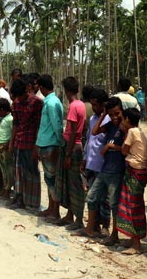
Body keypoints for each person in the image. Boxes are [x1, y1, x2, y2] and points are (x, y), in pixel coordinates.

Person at [79, 97, 126, 245]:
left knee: (113, 203)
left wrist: (111, 147)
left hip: (116, 171)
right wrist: (103, 115)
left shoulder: (125, 127)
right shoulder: (110, 125)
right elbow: (94, 131)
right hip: (105, 169)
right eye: (111, 114)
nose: (115, 117)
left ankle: (114, 234)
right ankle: (90, 228)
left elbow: (126, 148)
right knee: (92, 197)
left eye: (117, 113)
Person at [116, 108, 147, 254]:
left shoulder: (131, 132)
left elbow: (124, 150)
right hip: (139, 172)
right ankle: (133, 238)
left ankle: (136, 244)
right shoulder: (139, 131)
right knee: (135, 204)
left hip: (134, 170)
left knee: (132, 206)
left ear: (128, 119)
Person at [7, 78, 43, 210]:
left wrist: (36, 146)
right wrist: (11, 143)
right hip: (19, 142)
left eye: (21, 96)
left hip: (30, 142)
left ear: (26, 90)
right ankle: (19, 197)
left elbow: (39, 126)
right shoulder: (16, 103)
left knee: (32, 173)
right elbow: (15, 124)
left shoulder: (37, 103)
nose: (19, 99)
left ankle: (32, 201)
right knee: (18, 172)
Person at [56, 76, 86, 228]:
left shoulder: (74, 107)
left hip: (72, 147)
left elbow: (73, 132)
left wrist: (68, 154)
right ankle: (70, 215)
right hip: (74, 145)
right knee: (70, 182)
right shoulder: (81, 105)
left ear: (67, 91)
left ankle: (78, 219)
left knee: (74, 184)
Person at [36, 74, 64, 222]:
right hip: (45, 143)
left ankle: (55, 210)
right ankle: (51, 207)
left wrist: (61, 143)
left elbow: (57, 125)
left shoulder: (52, 103)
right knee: (48, 179)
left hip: (50, 144)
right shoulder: (49, 102)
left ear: (42, 87)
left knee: (52, 179)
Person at [0, 98, 14, 199]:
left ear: (2, 109)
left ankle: (7, 191)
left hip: (4, 146)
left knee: (8, 169)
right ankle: (5, 188)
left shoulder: (10, 119)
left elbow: (13, 132)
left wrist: (9, 143)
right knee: (3, 169)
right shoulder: (5, 119)